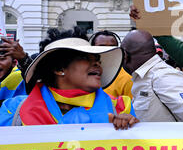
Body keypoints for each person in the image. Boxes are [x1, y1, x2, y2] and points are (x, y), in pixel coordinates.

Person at [0, 28, 139, 129]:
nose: (97, 63)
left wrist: (134, 129)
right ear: (59, 69)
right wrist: (96, 120)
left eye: (97, 59)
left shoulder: (121, 107)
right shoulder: (14, 110)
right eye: (85, 58)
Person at [90, 30, 133, 99]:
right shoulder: (82, 74)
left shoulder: (126, 79)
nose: (107, 50)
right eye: (101, 47)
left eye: (112, 47)